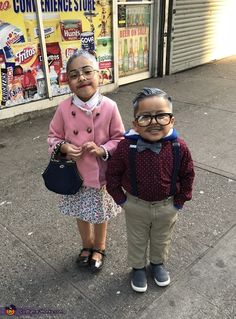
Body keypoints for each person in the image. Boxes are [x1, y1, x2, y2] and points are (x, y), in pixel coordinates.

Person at [106, 87, 195, 292]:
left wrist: (179, 201)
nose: (154, 122)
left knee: (162, 238)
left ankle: (157, 264)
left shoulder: (179, 147)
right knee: (136, 239)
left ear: (172, 120)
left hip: (167, 205)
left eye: (161, 116)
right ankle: (137, 267)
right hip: (135, 205)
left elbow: (188, 174)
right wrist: (122, 201)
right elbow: (112, 175)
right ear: (135, 124)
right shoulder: (125, 147)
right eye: (145, 117)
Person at [47, 49, 125, 272]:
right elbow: (53, 137)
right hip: (75, 175)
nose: (81, 78)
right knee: (81, 213)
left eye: (87, 71)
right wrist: (62, 147)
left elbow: (119, 139)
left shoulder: (110, 106)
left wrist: (102, 150)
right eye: (74, 75)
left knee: (100, 214)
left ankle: (99, 247)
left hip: (100, 176)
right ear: (68, 83)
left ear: (99, 75)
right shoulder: (63, 108)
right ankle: (86, 245)